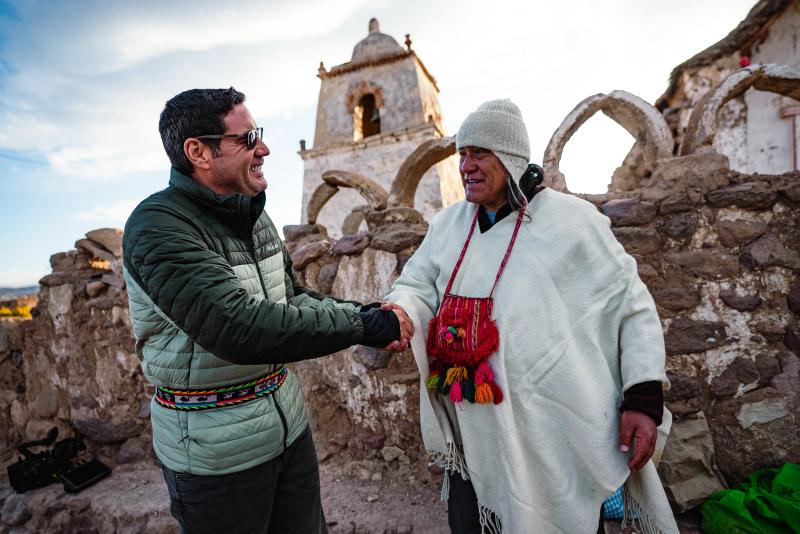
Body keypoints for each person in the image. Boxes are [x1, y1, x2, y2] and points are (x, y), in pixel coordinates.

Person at [122, 87, 413, 534]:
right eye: (247, 138)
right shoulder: (158, 226)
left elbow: (292, 298)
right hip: (215, 456)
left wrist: (367, 314)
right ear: (198, 152)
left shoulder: (253, 217)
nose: (264, 148)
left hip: (287, 433)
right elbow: (238, 327)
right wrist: (365, 325)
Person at [384, 99, 678, 533]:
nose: (466, 166)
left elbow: (630, 306)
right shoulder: (448, 225)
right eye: (462, 154)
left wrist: (643, 397)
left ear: (511, 157)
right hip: (474, 432)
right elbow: (415, 285)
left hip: (553, 429)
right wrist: (399, 312)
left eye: (479, 153)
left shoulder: (573, 223)